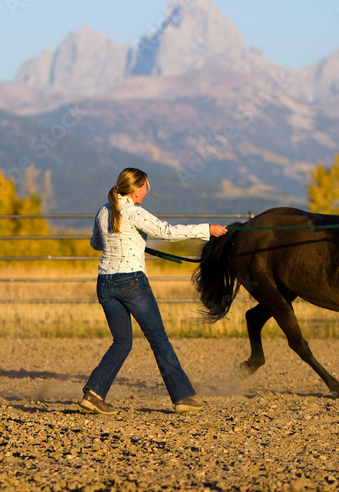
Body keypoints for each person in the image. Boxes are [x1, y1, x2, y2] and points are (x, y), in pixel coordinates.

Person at [78, 167, 228, 415]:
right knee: (159, 340)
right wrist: (206, 229)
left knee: (122, 342)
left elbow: (96, 244)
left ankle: (93, 395)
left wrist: (129, 241)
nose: (147, 191)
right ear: (135, 189)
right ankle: (182, 398)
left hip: (105, 283)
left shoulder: (103, 211)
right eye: (146, 187)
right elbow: (167, 232)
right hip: (131, 283)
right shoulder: (134, 212)